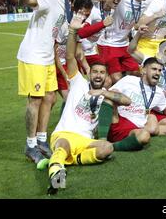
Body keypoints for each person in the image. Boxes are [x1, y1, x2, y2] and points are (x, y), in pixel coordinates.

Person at [47, 11, 131, 194]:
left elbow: (126, 100)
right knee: (62, 147)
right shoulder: (78, 82)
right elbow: (70, 57)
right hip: (66, 134)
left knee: (107, 148)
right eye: (95, 72)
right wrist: (72, 31)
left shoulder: (106, 94)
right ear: (89, 74)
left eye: (102, 73)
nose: (98, 75)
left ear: (107, 76)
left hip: (86, 140)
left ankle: (72, 160)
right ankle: (57, 176)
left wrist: (103, 92)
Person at [17, 0, 85, 164]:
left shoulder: (69, 6)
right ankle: (30, 146)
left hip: (47, 57)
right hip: (33, 55)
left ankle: (41, 140)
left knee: (50, 99)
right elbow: (25, 2)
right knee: (36, 100)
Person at [97, 0, 154, 83]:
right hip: (109, 44)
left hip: (125, 45)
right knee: (116, 78)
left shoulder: (149, 0)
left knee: (139, 73)